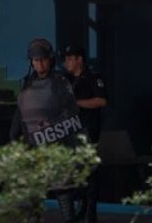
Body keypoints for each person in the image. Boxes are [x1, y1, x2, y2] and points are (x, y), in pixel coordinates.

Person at [10, 38, 84, 222]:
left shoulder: (60, 81)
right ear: (31, 62)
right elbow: (21, 112)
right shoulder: (27, 82)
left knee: (63, 190)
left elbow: (69, 111)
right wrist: (16, 137)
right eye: (36, 60)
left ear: (50, 60)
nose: (40, 64)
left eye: (43, 59)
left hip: (58, 141)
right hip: (34, 144)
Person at [62, 45, 107, 223]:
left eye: (69, 58)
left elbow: (101, 100)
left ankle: (90, 211)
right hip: (68, 132)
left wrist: (77, 103)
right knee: (72, 172)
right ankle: (80, 208)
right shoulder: (65, 80)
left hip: (88, 131)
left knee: (89, 171)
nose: (66, 62)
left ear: (79, 59)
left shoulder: (92, 77)